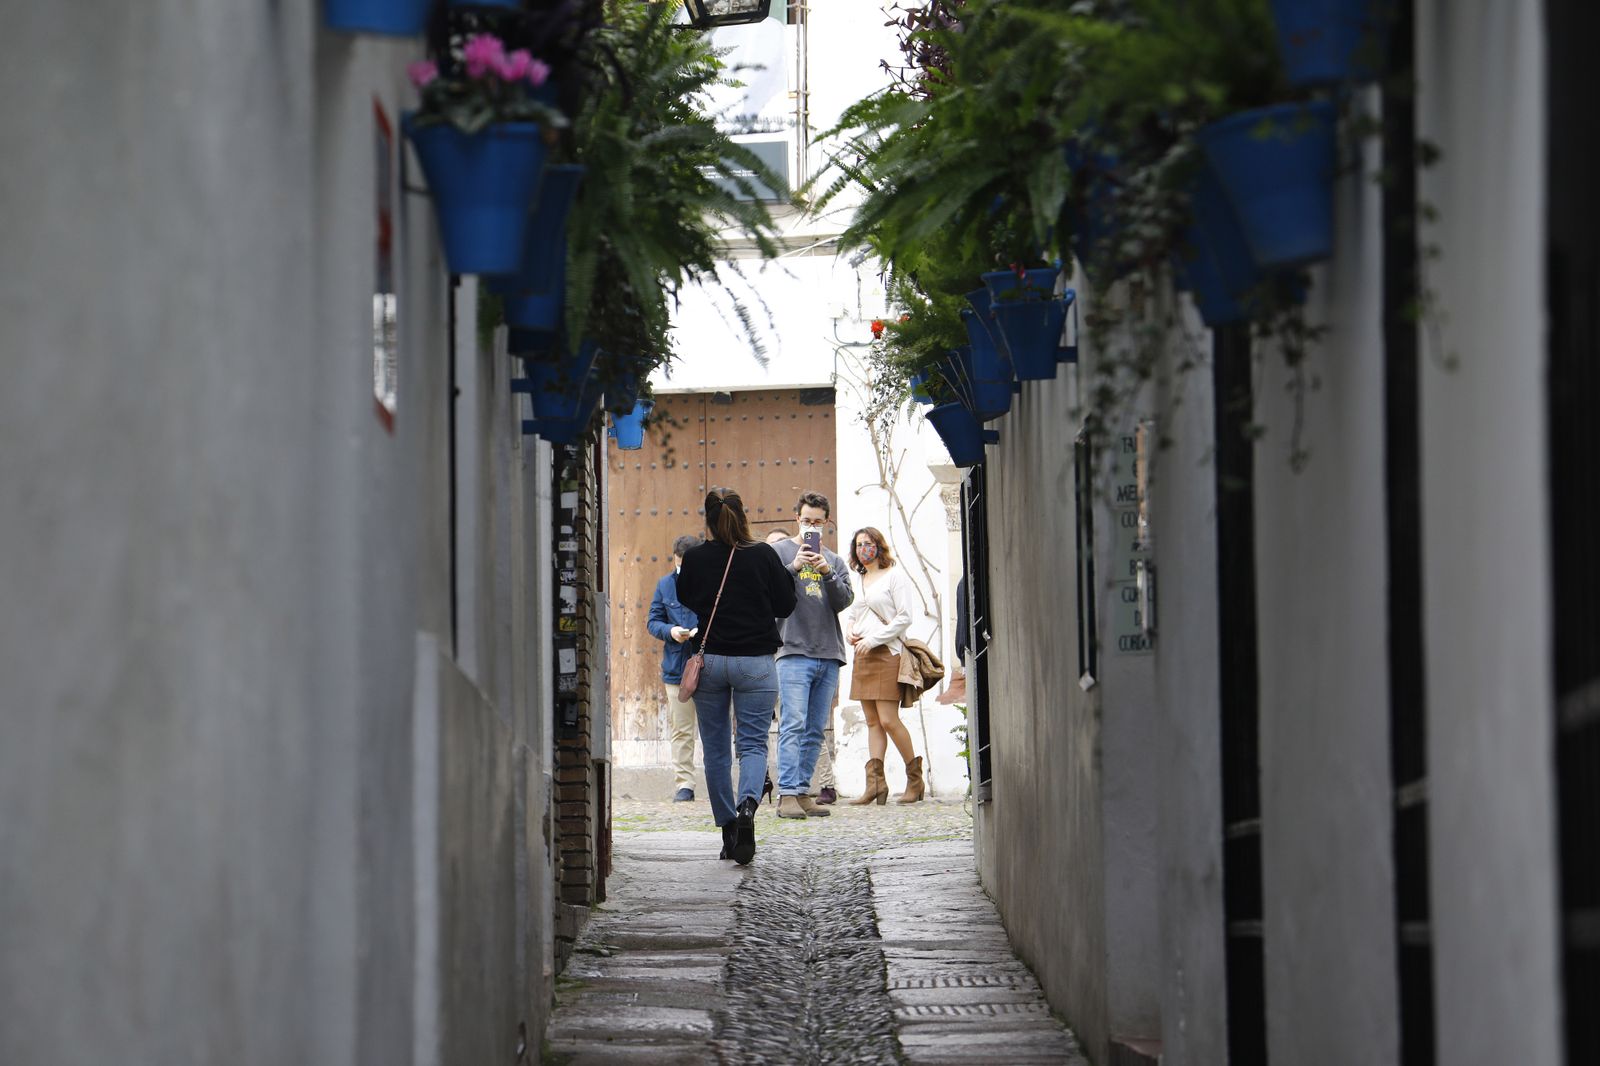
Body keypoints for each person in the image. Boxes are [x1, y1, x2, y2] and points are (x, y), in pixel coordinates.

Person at [675, 488, 797, 865]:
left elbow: (686, 598)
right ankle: (747, 809)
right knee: (753, 746)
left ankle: (729, 831)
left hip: (710, 661)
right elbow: (786, 604)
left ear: (708, 520)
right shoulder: (763, 555)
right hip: (756, 663)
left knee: (715, 750)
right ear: (743, 516)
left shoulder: (694, 556)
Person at [768, 493, 854, 820]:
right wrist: (794, 568)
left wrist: (828, 573)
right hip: (792, 649)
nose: (812, 526)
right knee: (793, 723)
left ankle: (803, 791)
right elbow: (767, 591)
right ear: (797, 518)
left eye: (818, 522)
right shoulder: (778, 553)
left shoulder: (835, 560)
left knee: (815, 729)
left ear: (827, 523)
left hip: (829, 652)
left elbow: (844, 601)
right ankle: (787, 793)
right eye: (807, 520)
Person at [845, 526, 925, 805]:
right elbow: (854, 613)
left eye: (867, 543)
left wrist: (874, 638)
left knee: (889, 720)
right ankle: (876, 785)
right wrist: (851, 629)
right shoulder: (859, 579)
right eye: (857, 545)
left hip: (887, 652)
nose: (862, 549)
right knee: (871, 721)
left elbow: (904, 618)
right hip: (863, 654)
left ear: (879, 546)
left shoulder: (895, 576)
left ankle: (915, 780)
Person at [647, 534, 704, 802]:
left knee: (714, 728)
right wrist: (671, 631)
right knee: (682, 728)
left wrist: (700, 631)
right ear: (674, 559)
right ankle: (685, 784)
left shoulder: (711, 581)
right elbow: (653, 621)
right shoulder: (664, 584)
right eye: (680, 563)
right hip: (676, 668)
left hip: (710, 663)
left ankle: (719, 782)